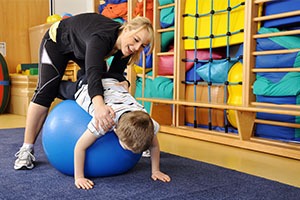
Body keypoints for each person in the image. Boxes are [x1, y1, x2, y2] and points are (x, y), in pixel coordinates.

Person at [14, 13, 154, 170]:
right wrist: (99, 106)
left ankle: (135, 138)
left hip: (81, 47)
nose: (137, 48)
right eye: (136, 40)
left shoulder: (126, 48)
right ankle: (26, 149)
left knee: (100, 78)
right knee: (46, 89)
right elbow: (94, 73)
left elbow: (113, 75)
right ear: (127, 29)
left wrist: (124, 83)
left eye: (143, 45)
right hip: (57, 41)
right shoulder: (101, 38)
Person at [74, 78, 171, 190]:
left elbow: (154, 145)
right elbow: (79, 147)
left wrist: (156, 170)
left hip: (116, 87)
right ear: (117, 131)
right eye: (127, 147)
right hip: (88, 88)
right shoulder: (105, 121)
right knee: (63, 87)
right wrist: (79, 177)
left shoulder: (149, 124)